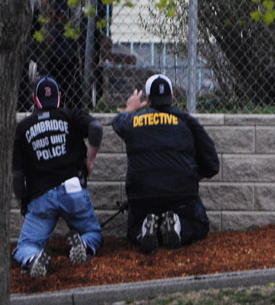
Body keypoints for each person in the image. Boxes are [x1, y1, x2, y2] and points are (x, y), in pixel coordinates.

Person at [112, 74, 220, 254]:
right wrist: (192, 175)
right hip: (181, 197)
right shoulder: (187, 121)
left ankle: (145, 229)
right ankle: (179, 226)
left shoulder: (132, 121)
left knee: (133, 231)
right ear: (172, 97)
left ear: (147, 99)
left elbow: (117, 122)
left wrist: (130, 108)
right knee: (199, 227)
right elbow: (212, 165)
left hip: (143, 198)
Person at [12, 76, 103, 276]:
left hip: (41, 196)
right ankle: (85, 245)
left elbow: (17, 175)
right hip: (72, 189)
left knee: (26, 245)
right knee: (93, 233)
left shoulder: (23, 127)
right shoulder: (70, 115)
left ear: (34, 99)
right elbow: (96, 127)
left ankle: (33, 258)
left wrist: (21, 201)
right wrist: (90, 159)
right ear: (59, 97)